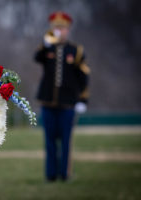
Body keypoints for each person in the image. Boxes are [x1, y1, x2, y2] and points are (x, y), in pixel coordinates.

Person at [34, 11, 90, 181]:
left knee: (66, 142)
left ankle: (65, 174)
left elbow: (84, 76)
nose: (59, 31)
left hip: (68, 104)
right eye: (56, 27)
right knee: (49, 141)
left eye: (62, 28)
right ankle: (50, 175)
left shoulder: (76, 50)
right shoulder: (47, 48)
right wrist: (46, 44)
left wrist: (83, 99)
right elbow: (36, 58)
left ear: (68, 29)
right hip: (48, 103)